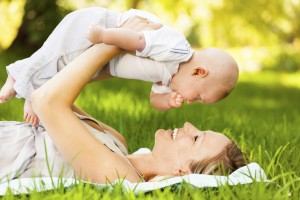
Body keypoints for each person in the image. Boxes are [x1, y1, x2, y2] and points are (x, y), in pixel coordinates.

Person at [0, 41, 247, 184]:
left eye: (196, 138)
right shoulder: (118, 143)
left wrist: (109, 46)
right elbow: (55, 92)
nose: (189, 125)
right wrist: (125, 62)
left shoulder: (122, 177)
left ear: (183, 171)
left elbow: (47, 102)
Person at [0, 7, 239, 127]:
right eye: (197, 96)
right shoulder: (177, 49)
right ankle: (20, 81)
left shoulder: (171, 78)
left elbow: (155, 100)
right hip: (103, 30)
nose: (190, 100)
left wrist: (168, 102)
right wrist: (105, 35)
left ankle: (27, 87)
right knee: (58, 57)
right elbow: (137, 38)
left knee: (64, 72)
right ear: (199, 72)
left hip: (105, 58)